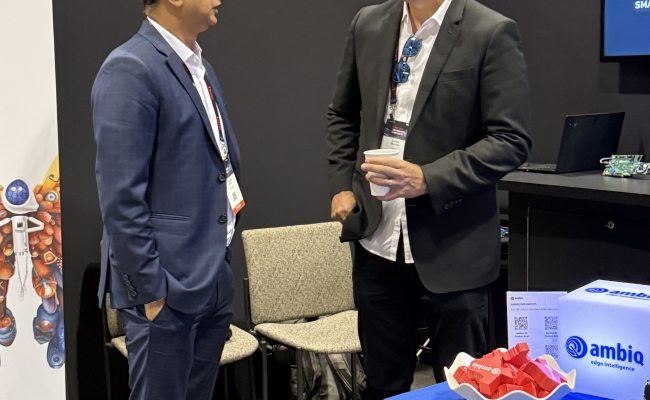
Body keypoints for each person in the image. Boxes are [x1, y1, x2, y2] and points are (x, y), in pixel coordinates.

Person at [326, 0, 531, 398]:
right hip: (377, 243)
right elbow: (343, 114)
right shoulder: (368, 23)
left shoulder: (490, 30)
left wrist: (427, 178)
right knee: (383, 386)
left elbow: (510, 140)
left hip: (454, 248)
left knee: (461, 390)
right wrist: (341, 184)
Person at [92, 0, 244, 398]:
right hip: (166, 288)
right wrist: (150, 291)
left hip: (211, 274)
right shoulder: (129, 67)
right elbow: (120, 197)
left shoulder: (198, 66)